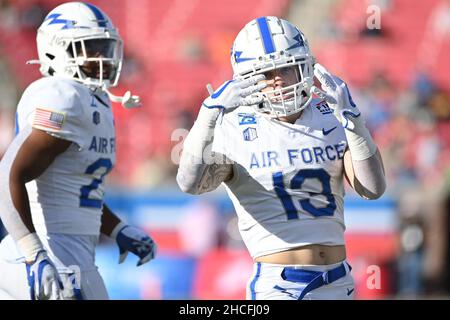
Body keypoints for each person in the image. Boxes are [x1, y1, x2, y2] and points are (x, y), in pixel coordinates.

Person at [176, 16, 386, 300]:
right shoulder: (233, 126)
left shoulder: (331, 114)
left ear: (304, 66)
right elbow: (190, 183)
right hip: (281, 285)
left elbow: (372, 188)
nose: (277, 81)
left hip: (340, 279)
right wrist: (206, 119)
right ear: (247, 79)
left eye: (286, 68)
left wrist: (355, 123)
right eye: (266, 73)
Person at [0, 2, 156, 300]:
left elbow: (80, 188)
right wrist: (34, 253)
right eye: (90, 48)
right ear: (56, 50)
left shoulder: (95, 99)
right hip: (51, 253)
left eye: (104, 47)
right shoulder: (62, 96)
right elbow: (8, 174)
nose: (102, 58)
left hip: (67, 253)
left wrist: (117, 228)